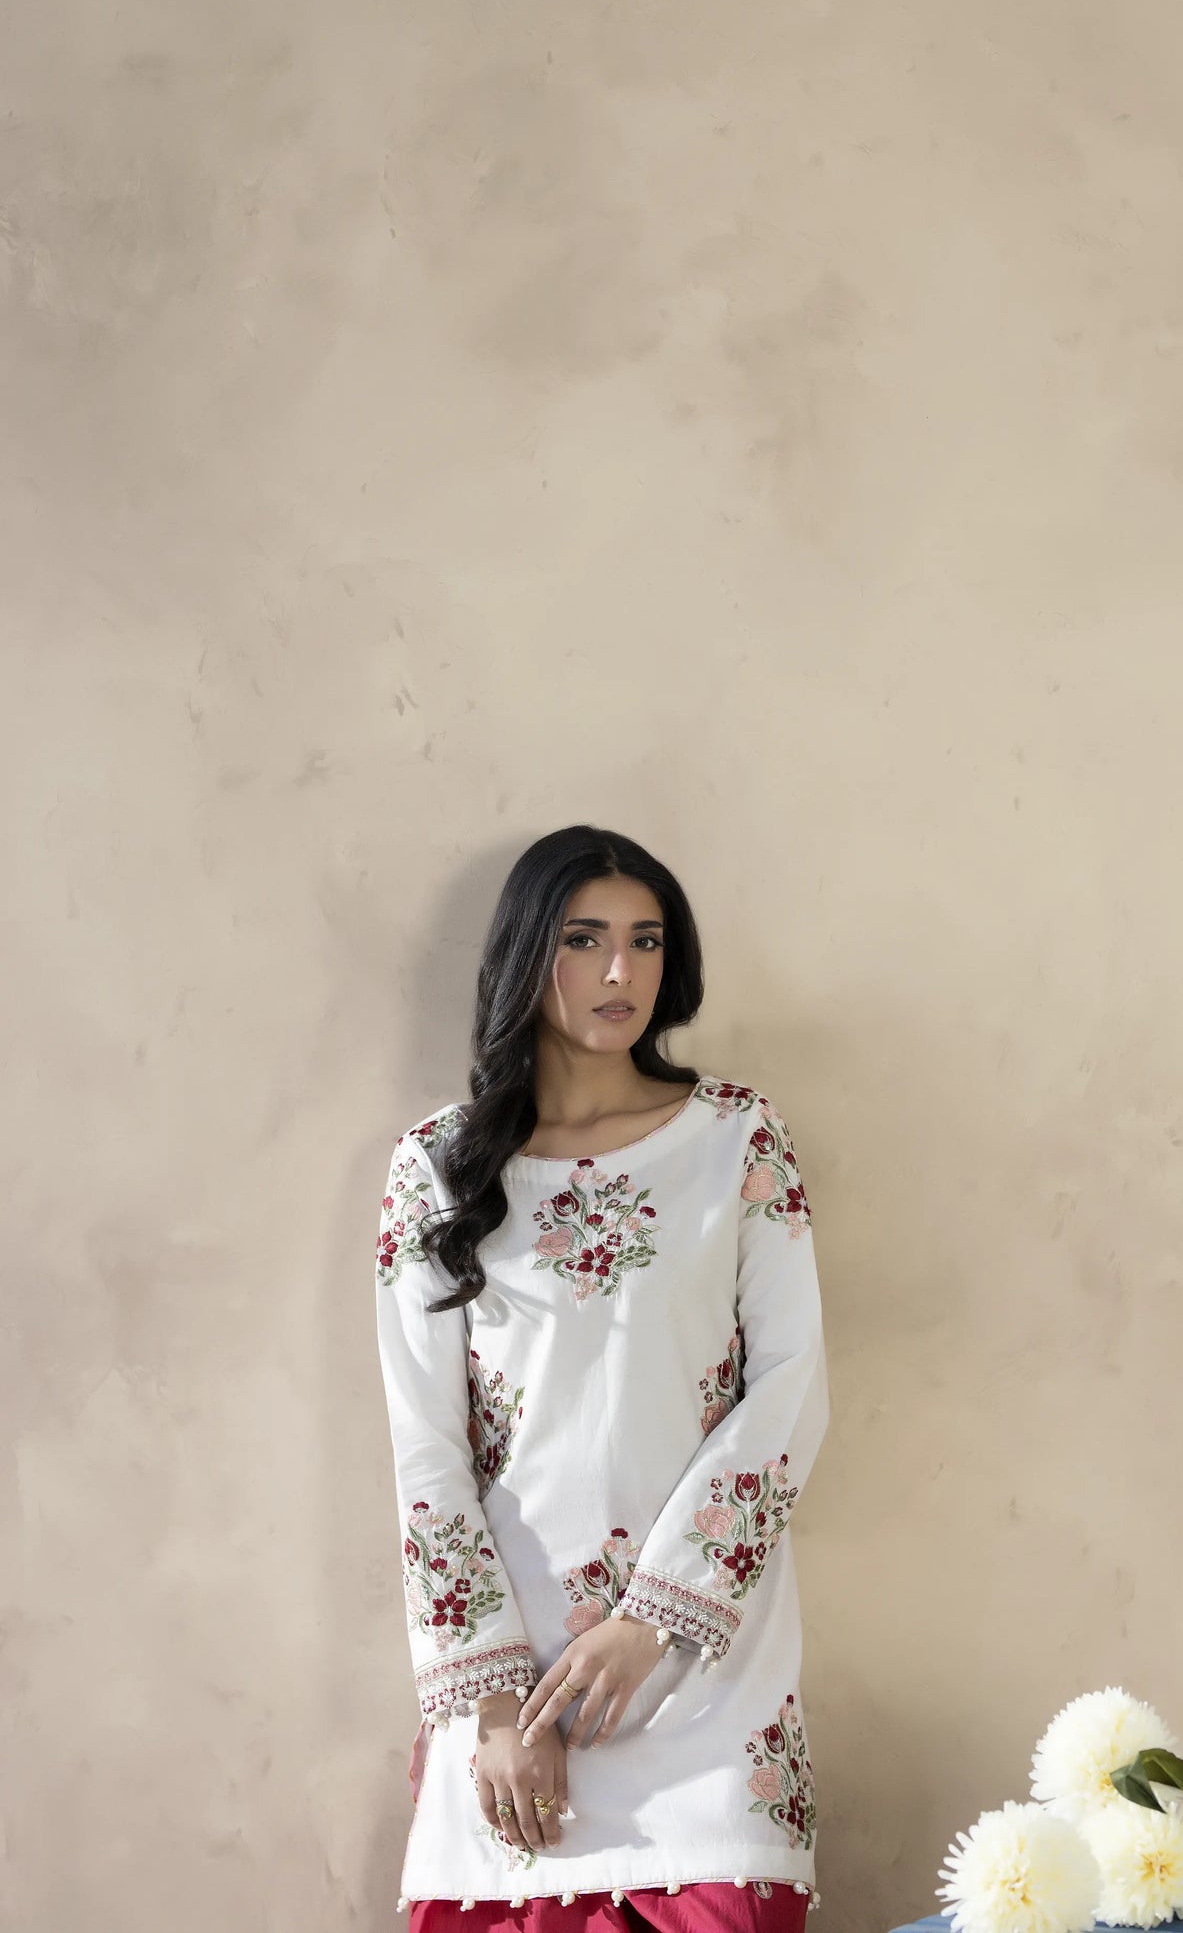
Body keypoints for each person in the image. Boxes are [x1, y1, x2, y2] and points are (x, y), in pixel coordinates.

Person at [375, 823, 831, 1931]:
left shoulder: (736, 1141)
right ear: (527, 954)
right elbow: (426, 1452)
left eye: (646, 940)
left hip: (707, 1673)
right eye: (582, 940)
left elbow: (788, 1390)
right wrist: (492, 1709)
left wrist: (649, 1622)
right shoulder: (437, 1167)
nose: (620, 971)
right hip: (511, 1688)